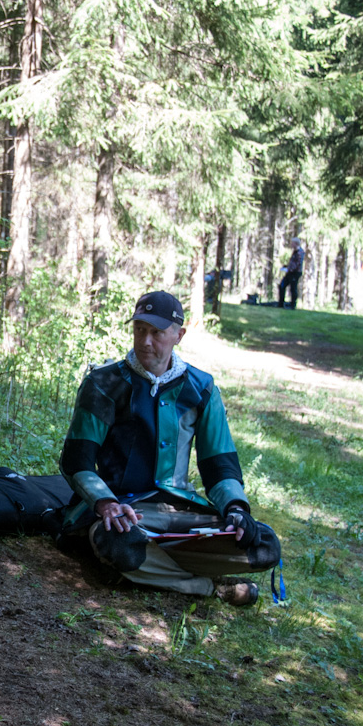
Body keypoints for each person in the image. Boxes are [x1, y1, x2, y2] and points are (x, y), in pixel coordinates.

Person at [55, 291, 281, 606]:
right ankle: (210, 588)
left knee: (264, 543)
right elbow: (76, 461)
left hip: (179, 513)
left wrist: (236, 508)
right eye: (139, 329)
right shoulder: (103, 383)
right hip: (122, 512)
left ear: (179, 335)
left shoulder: (201, 388)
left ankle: (144, 569)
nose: (146, 341)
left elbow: (220, 466)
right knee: (116, 541)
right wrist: (105, 504)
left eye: (157, 332)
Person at [278, 238, 304, 309]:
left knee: (293, 288)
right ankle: (280, 303)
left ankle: (293, 305)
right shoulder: (294, 252)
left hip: (295, 273)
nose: (291, 244)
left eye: (292, 243)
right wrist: (286, 266)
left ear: (296, 244)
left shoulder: (300, 252)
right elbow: (292, 263)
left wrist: (289, 269)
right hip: (289, 272)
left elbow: (297, 264)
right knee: (281, 286)